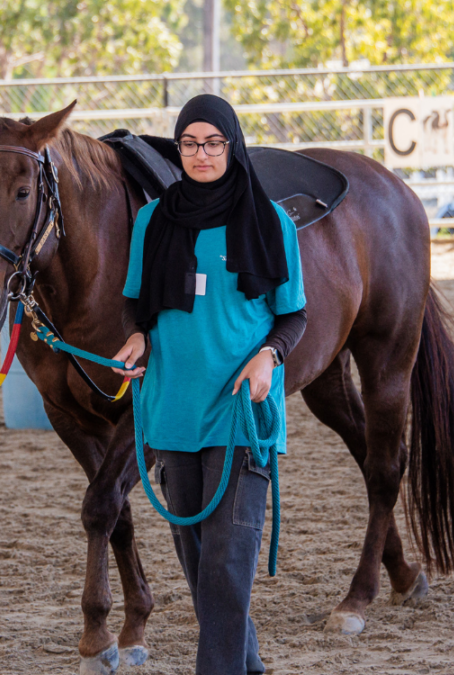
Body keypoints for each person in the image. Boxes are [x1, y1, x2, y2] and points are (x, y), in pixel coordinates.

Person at [110, 94, 307, 675]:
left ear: (232, 145)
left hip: (240, 412)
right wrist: (138, 337)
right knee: (200, 564)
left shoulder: (269, 222)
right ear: (180, 148)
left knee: (227, 563)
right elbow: (135, 305)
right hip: (173, 411)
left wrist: (270, 355)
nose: (202, 154)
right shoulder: (153, 221)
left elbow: (293, 315)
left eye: (213, 143)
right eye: (191, 143)